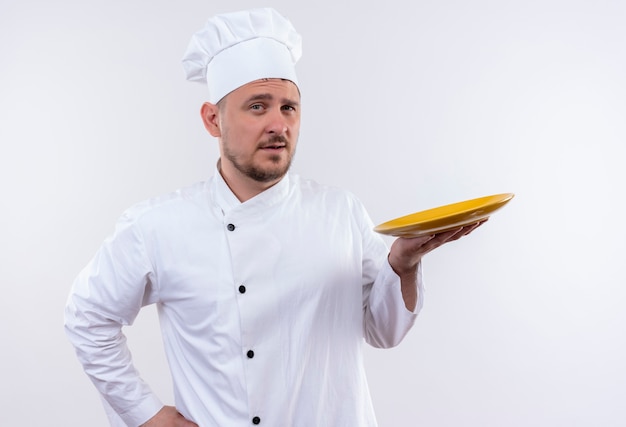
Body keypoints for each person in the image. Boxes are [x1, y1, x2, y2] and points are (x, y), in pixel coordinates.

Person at [64, 7, 483, 427]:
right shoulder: (157, 225)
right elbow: (88, 317)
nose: (278, 125)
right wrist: (146, 415)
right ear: (213, 120)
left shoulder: (340, 212)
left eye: (289, 108)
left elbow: (384, 332)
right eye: (258, 107)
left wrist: (403, 263)